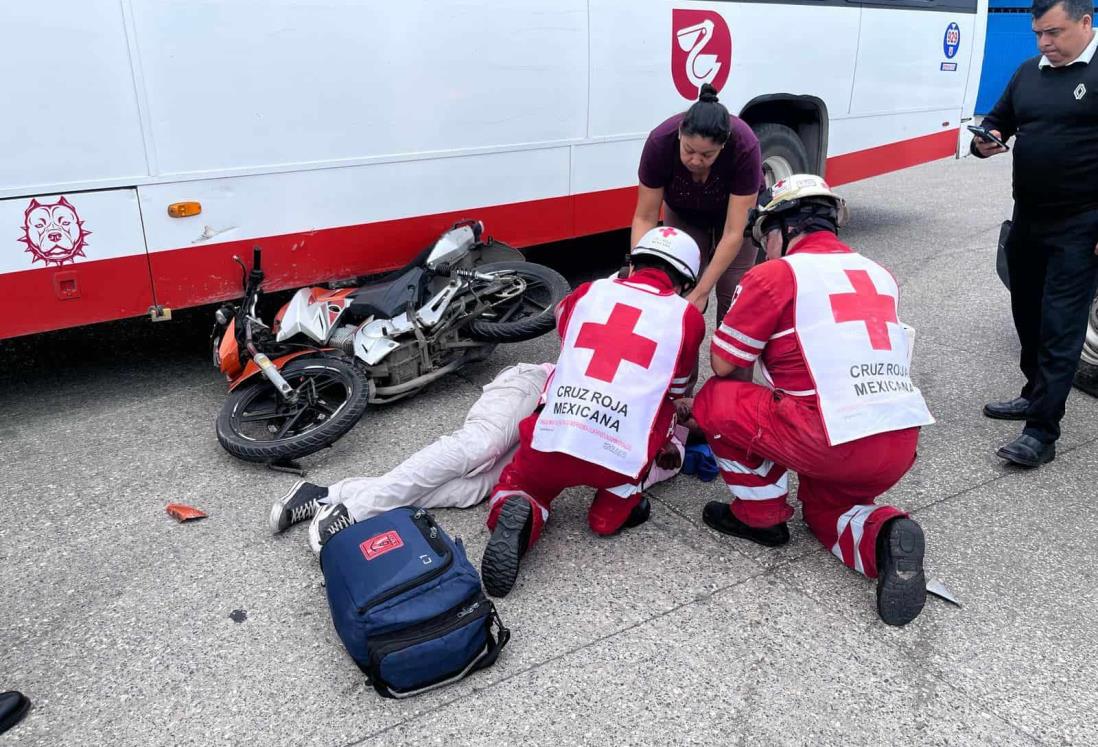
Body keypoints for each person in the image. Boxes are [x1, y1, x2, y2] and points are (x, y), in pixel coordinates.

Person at [690, 175, 935, 626]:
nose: (766, 248)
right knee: (828, 513)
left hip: (828, 440)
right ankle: (886, 536)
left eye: (767, 238)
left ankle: (760, 516)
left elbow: (725, 364)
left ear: (783, 228)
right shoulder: (881, 274)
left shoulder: (774, 275)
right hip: (897, 441)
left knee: (716, 400)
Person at [479, 227, 707, 597]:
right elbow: (678, 389)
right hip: (616, 457)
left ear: (631, 265)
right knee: (661, 415)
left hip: (552, 436)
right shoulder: (687, 318)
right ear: (684, 281)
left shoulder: (589, 291)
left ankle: (523, 507)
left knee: (522, 483)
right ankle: (611, 512)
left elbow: (565, 329)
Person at [269, 362, 690, 554]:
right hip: (537, 385)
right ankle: (353, 510)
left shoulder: (679, 434)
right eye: (688, 409)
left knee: (476, 489)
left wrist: (673, 451)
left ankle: (329, 493)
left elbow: (638, 474)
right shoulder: (664, 383)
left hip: (547, 435)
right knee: (479, 447)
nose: (688, 411)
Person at [973, 0, 1098, 467]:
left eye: (1055, 32)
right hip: (1028, 217)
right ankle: (1034, 392)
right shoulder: (1030, 71)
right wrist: (984, 139)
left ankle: (1041, 432)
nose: (1046, 43)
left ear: (1087, 22)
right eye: (1038, 34)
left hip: (1082, 223)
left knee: (1060, 326)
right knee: (1026, 313)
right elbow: (998, 118)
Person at [632, 83, 763, 384]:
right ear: (679, 134)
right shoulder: (659, 142)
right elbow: (645, 216)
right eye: (689, 151)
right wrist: (639, 269)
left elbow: (734, 232)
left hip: (734, 220)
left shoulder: (745, 146)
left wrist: (703, 291)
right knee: (677, 296)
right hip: (685, 212)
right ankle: (680, 390)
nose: (695, 160)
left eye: (707, 155)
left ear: (724, 144)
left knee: (733, 296)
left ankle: (734, 394)